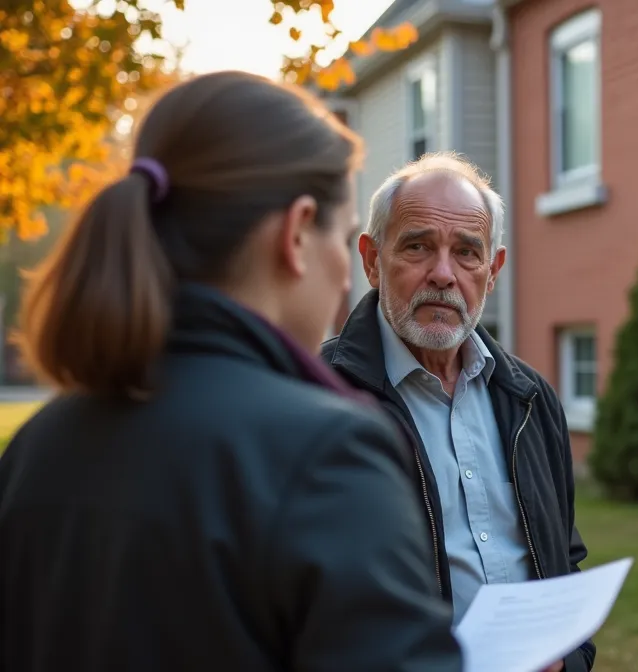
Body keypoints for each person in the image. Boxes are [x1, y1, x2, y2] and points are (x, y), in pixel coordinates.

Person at [0, 72, 462, 671]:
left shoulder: (37, 446)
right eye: (344, 239)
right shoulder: (328, 454)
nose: (346, 279)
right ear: (297, 233)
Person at [322, 152, 592, 672]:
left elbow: (564, 559)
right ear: (372, 259)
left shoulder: (530, 399)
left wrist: (572, 660)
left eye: (467, 253)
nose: (443, 275)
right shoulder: (324, 397)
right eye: (418, 246)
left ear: (492, 271)